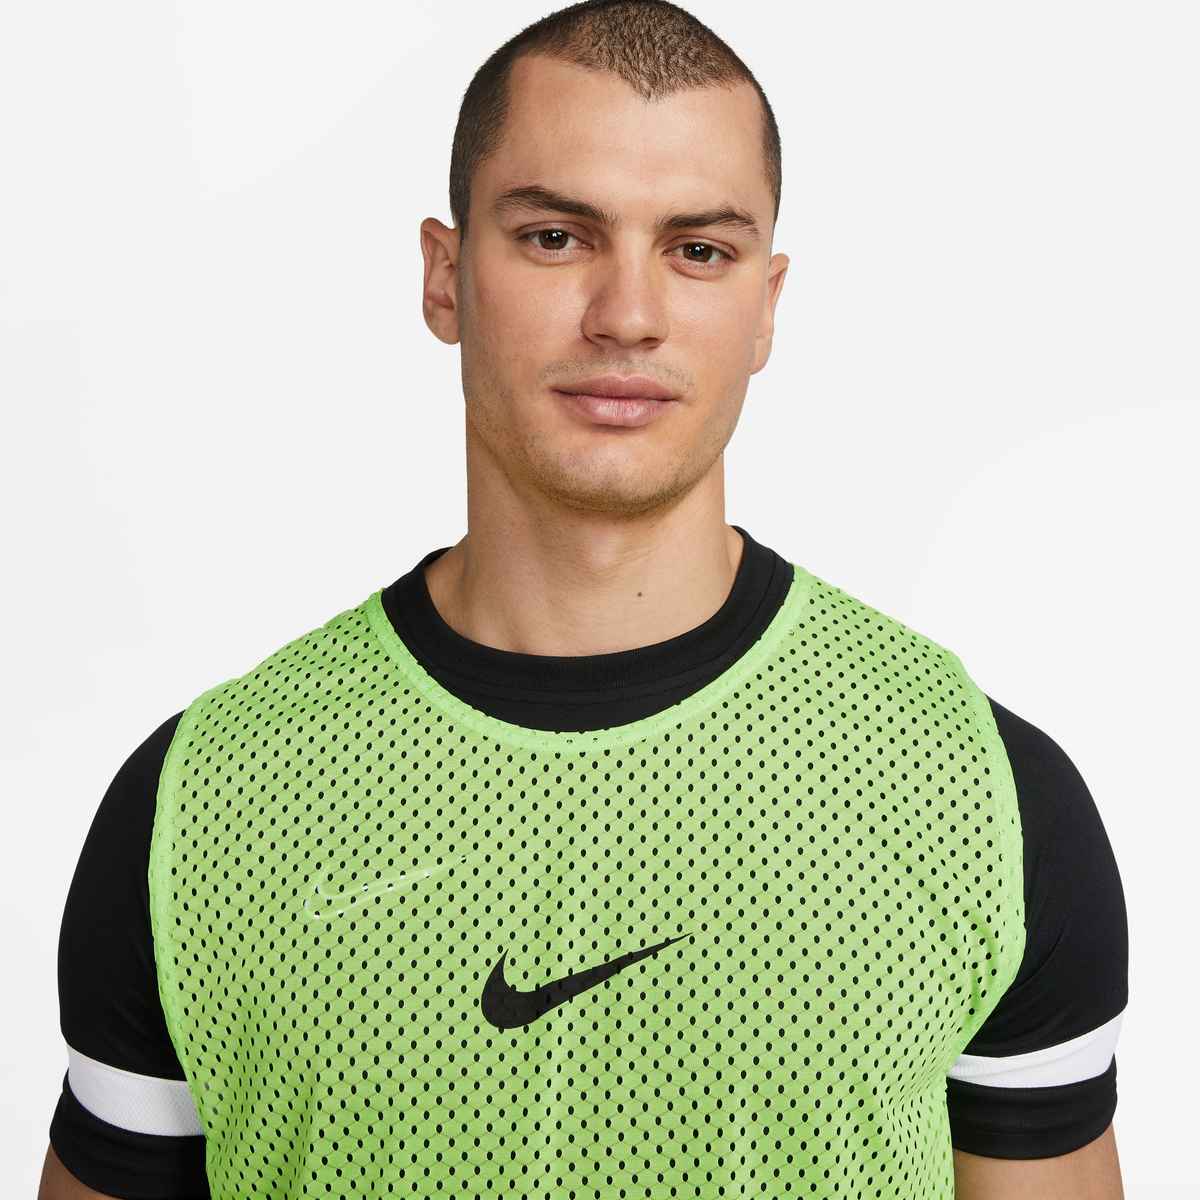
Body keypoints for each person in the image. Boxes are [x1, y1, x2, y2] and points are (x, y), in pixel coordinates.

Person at [38, 2, 1128, 1197]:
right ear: (446, 277)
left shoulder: (979, 792)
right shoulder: (202, 802)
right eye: (556, 237)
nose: (628, 315)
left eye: (698, 251)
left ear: (767, 305)